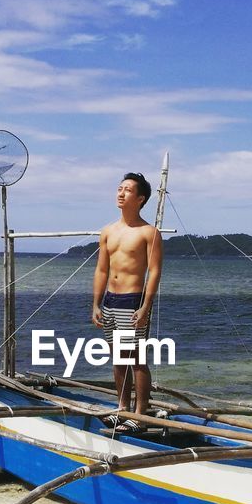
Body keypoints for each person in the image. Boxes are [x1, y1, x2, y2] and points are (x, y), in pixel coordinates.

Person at [92, 172, 162, 421]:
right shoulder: (108, 231)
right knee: (118, 359)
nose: (121, 193)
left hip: (133, 301)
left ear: (140, 198)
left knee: (137, 359)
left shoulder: (148, 232)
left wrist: (145, 307)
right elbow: (102, 269)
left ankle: (140, 414)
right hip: (110, 301)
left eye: (128, 190)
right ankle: (122, 408)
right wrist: (96, 304)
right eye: (120, 188)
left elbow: (154, 272)